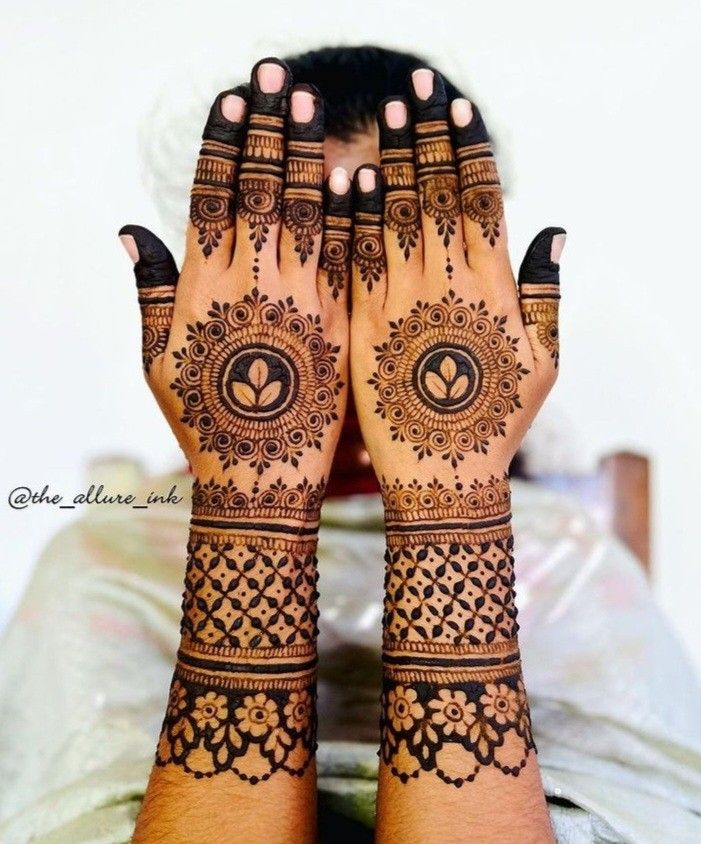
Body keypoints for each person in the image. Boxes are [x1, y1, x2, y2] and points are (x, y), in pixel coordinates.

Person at [117, 45, 564, 842]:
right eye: (316, 272)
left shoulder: (573, 564)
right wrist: (252, 499)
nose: (352, 343)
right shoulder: (107, 567)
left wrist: (450, 498)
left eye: (391, 278)